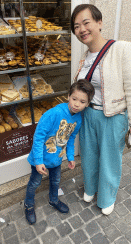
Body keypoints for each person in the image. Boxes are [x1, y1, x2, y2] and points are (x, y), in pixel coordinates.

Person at [71, 4, 131, 215]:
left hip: (112, 117)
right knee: (89, 156)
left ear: (99, 22)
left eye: (86, 23)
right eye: (77, 26)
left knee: (110, 160)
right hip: (88, 115)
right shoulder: (85, 57)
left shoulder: (121, 48)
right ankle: (91, 188)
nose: (82, 29)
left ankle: (107, 196)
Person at [24, 79, 95, 224]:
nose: (77, 104)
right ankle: (28, 205)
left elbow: (71, 138)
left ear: (87, 104)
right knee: (34, 183)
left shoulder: (78, 119)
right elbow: (38, 137)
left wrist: (70, 157)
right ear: (68, 96)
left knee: (55, 181)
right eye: (74, 99)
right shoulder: (54, 113)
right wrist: (38, 162)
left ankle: (53, 200)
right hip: (41, 159)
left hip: (57, 159)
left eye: (82, 102)